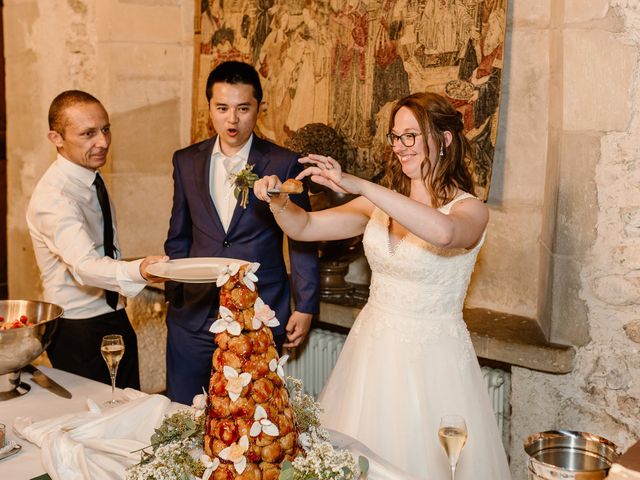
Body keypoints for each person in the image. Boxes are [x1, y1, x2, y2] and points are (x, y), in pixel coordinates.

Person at [254, 92, 511, 479]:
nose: (401, 147)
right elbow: (303, 227)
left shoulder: (469, 209)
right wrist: (276, 201)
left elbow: (443, 233)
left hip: (433, 362)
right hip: (371, 351)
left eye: (411, 136)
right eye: (396, 137)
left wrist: (361, 185)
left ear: (443, 140)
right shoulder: (377, 205)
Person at [163, 61, 319, 405]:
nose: (232, 120)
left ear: (258, 109)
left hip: (259, 312)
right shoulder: (185, 161)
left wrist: (305, 305)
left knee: (252, 420)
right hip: (193, 315)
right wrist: (175, 296)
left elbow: (302, 237)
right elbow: (179, 235)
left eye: (242, 109)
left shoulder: (284, 163)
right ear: (210, 109)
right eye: (222, 108)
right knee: (181, 413)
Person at [26, 90, 168, 390]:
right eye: (88, 133)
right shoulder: (55, 198)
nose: (102, 142)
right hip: (78, 328)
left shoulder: (89, 175)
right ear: (56, 138)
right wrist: (139, 270)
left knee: (130, 408)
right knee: (95, 425)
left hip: (113, 315)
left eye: (105, 129)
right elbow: (84, 265)